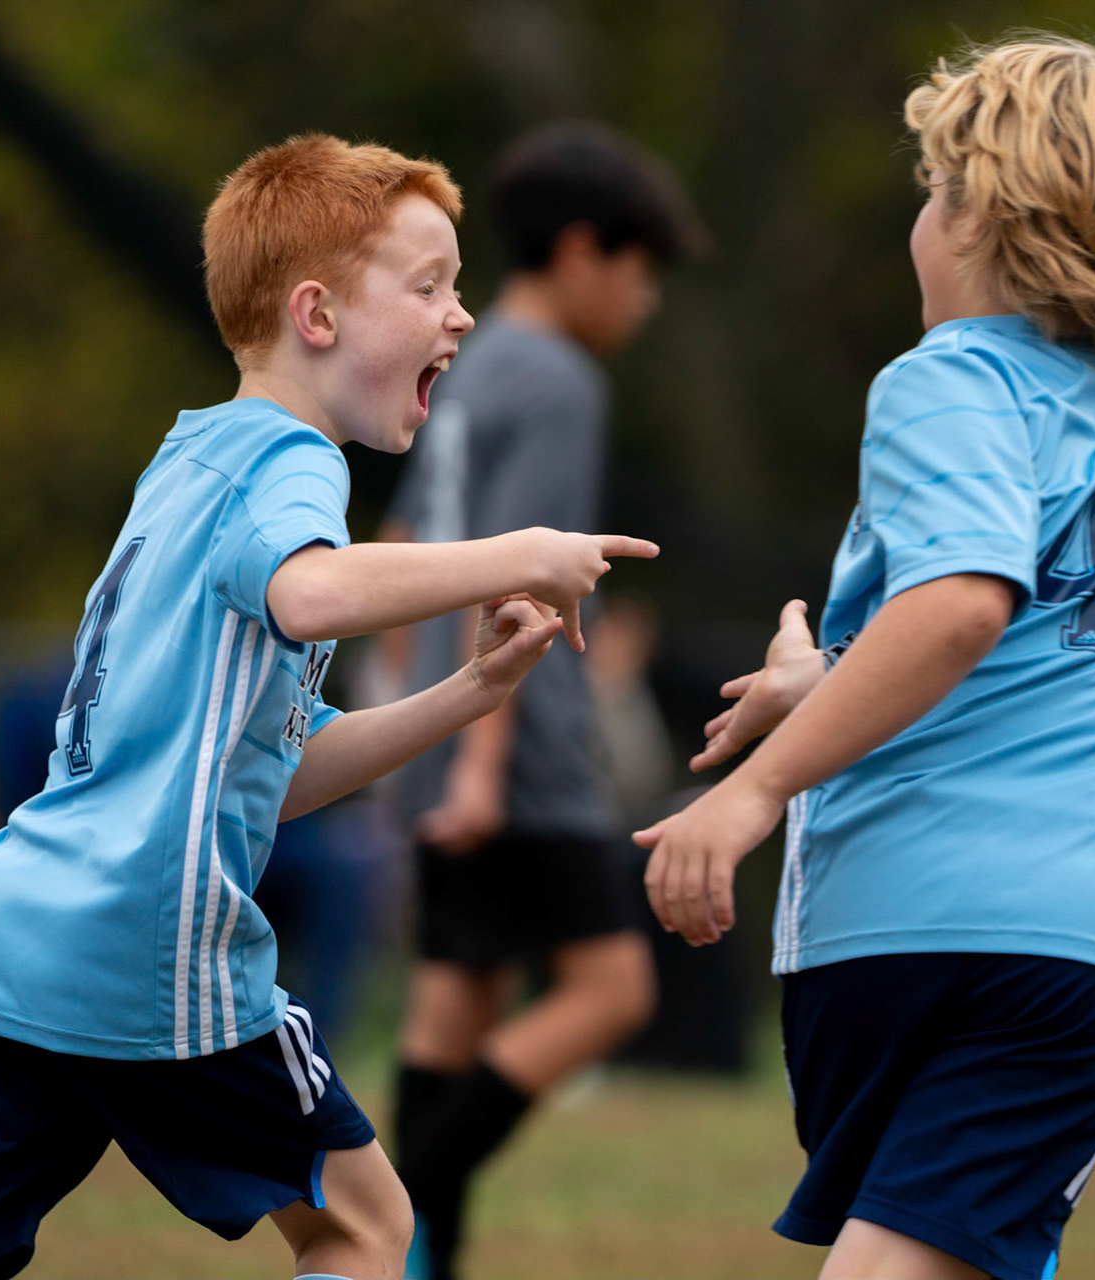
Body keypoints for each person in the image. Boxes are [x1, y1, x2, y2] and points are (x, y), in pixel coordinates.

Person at [0, 133, 657, 1280]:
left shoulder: (189, 458)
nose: (463, 317)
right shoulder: (297, 465)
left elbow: (273, 770)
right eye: (431, 286)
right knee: (367, 1224)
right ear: (317, 314)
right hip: (150, 942)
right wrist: (519, 552)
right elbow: (315, 593)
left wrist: (471, 688)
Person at [634, 38, 1095, 1280]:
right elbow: (1027, 641)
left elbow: (961, 604)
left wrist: (749, 791)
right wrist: (835, 672)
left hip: (961, 927)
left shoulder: (947, 373)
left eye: (935, 185)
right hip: (1075, 930)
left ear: (977, 217)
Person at [379, 122, 702, 1280]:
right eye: (638, 266)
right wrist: (475, 764)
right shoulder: (559, 379)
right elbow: (520, 571)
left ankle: (403, 1258)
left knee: (450, 1011)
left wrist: (409, 722)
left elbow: (404, 542)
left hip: (439, 724)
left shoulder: (461, 365)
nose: (645, 297)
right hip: (512, 756)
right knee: (614, 989)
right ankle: (380, 1214)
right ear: (579, 252)